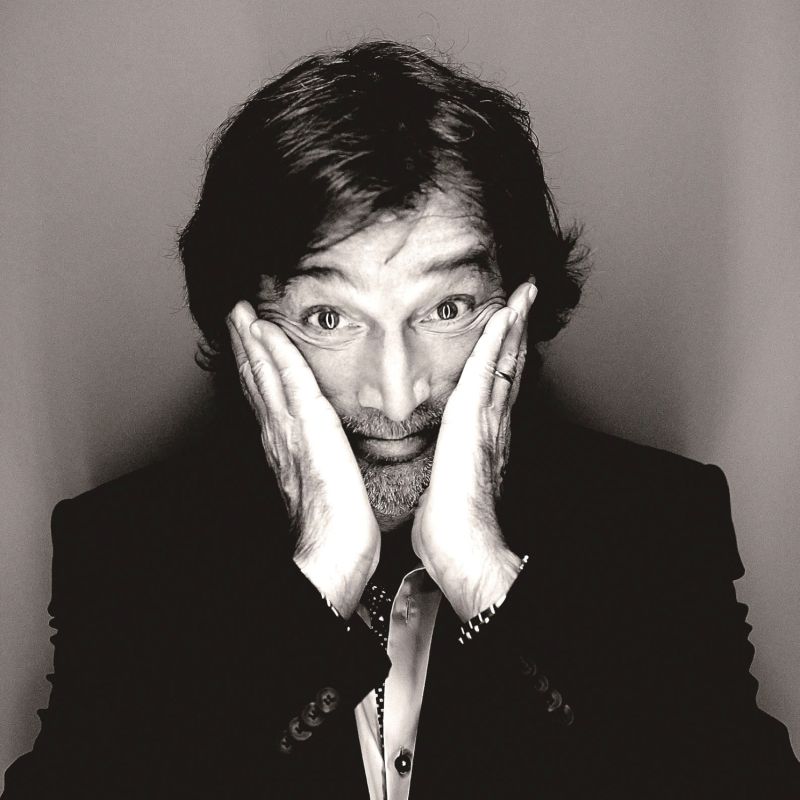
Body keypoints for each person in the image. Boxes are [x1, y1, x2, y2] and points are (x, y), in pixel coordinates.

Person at [3, 40, 799, 800]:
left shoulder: (660, 529)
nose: (395, 395)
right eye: (328, 318)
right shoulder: (128, 559)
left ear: (519, 311)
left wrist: (488, 583)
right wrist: (315, 590)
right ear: (243, 328)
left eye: (447, 308)